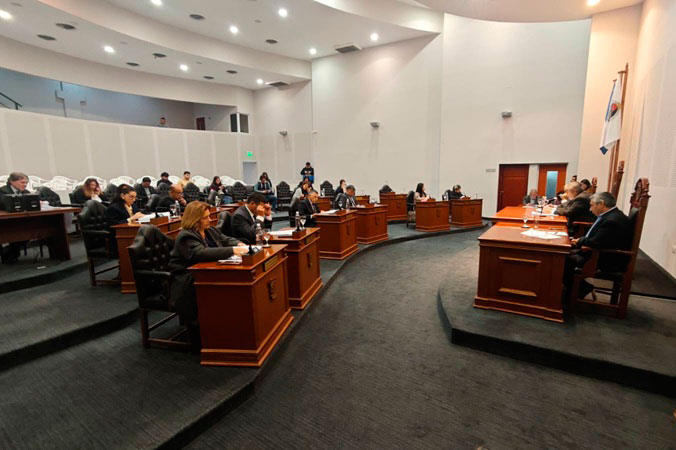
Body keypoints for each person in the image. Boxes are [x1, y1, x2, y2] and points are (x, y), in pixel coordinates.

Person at [169, 201, 248, 349]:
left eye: (209, 216)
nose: (209, 220)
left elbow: (226, 239)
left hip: (205, 274)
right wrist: (232, 251)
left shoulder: (209, 230)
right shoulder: (185, 236)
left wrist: (238, 244)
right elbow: (200, 254)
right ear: (195, 219)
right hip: (187, 280)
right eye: (205, 217)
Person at [564, 192, 632, 299]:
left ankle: (579, 289)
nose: (590, 209)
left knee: (562, 260)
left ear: (601, 204)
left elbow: (595, 243)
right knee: (564, 254)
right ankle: (572, 290)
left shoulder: (612, 221)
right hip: (600, 253)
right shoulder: (611, 215)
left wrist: (579, 240)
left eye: (592, 205)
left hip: (606, 260)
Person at [0, 172, 31, 263]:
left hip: (21, 219)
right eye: (22, 182)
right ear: (12, 181)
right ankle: (8, 252)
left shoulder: (26, 192)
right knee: (18, 232)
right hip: (5, 221)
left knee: (30, 230)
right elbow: (5, 203)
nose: (25, 185)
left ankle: (9, 252)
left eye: (26, 183)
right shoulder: (2, 191)